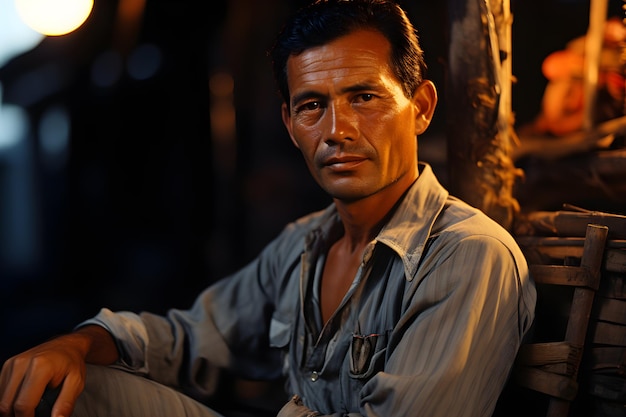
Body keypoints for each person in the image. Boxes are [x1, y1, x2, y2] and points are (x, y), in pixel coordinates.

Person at [0, 1, 536, 416]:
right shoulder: (304, 246)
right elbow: (189, 338)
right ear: (290, 124)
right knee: (66, 386)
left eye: (364, 98)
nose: (336, 131)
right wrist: (77, 342)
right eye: (312, 106)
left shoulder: (468, 256)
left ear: (419, 108)